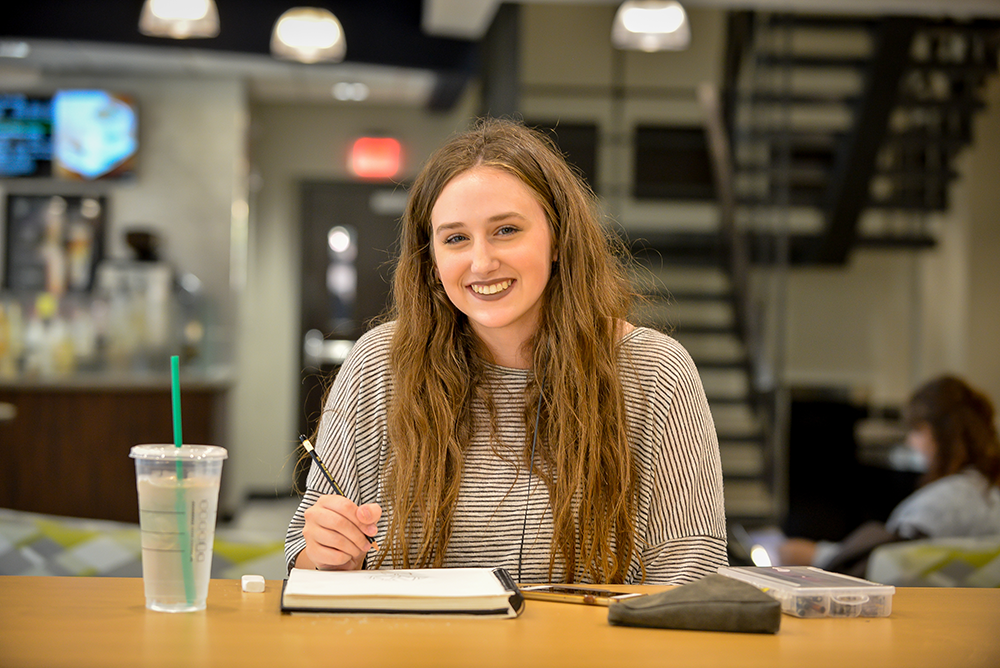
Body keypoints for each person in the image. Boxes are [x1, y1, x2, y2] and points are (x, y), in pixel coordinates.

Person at [284, 118, 727, 585]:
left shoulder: (652, 372)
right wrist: (329, 556)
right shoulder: (379, 364)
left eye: (507, 230)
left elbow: (691, 577)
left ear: (558, 238)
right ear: (431, 260)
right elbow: (302, 557)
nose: (481, 262)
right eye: (455, 238)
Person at [779, 375, 1000, 572]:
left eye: (917, 430)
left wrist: (812, 555)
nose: (910, 442)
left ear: (942, 435)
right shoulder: (989, 494)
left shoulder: (946, 500)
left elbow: (884, 564)